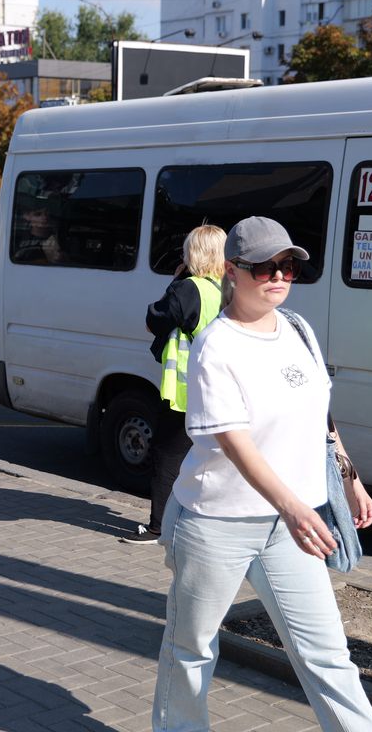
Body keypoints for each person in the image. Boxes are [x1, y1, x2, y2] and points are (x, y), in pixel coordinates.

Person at [152, 216, 372, 732]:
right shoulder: (217, 345)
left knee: (328, 654)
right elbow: (235, 442)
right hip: (217, 524)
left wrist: (349, 477)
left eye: (287, 266)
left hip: (290, 527)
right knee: (191, 649)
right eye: (264, 267)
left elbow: (320, 415)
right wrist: (295, 507)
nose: (278, 276)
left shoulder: (298, 330)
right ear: (232, 271)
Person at [121, 225, 225, 545]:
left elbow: (154, 320)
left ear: (195, 254)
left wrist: (176, 279)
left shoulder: (189, 289)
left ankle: (158, 528)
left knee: (167, 457)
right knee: (210, 460)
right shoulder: (229, 289)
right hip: (219, 392)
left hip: (184, 393)